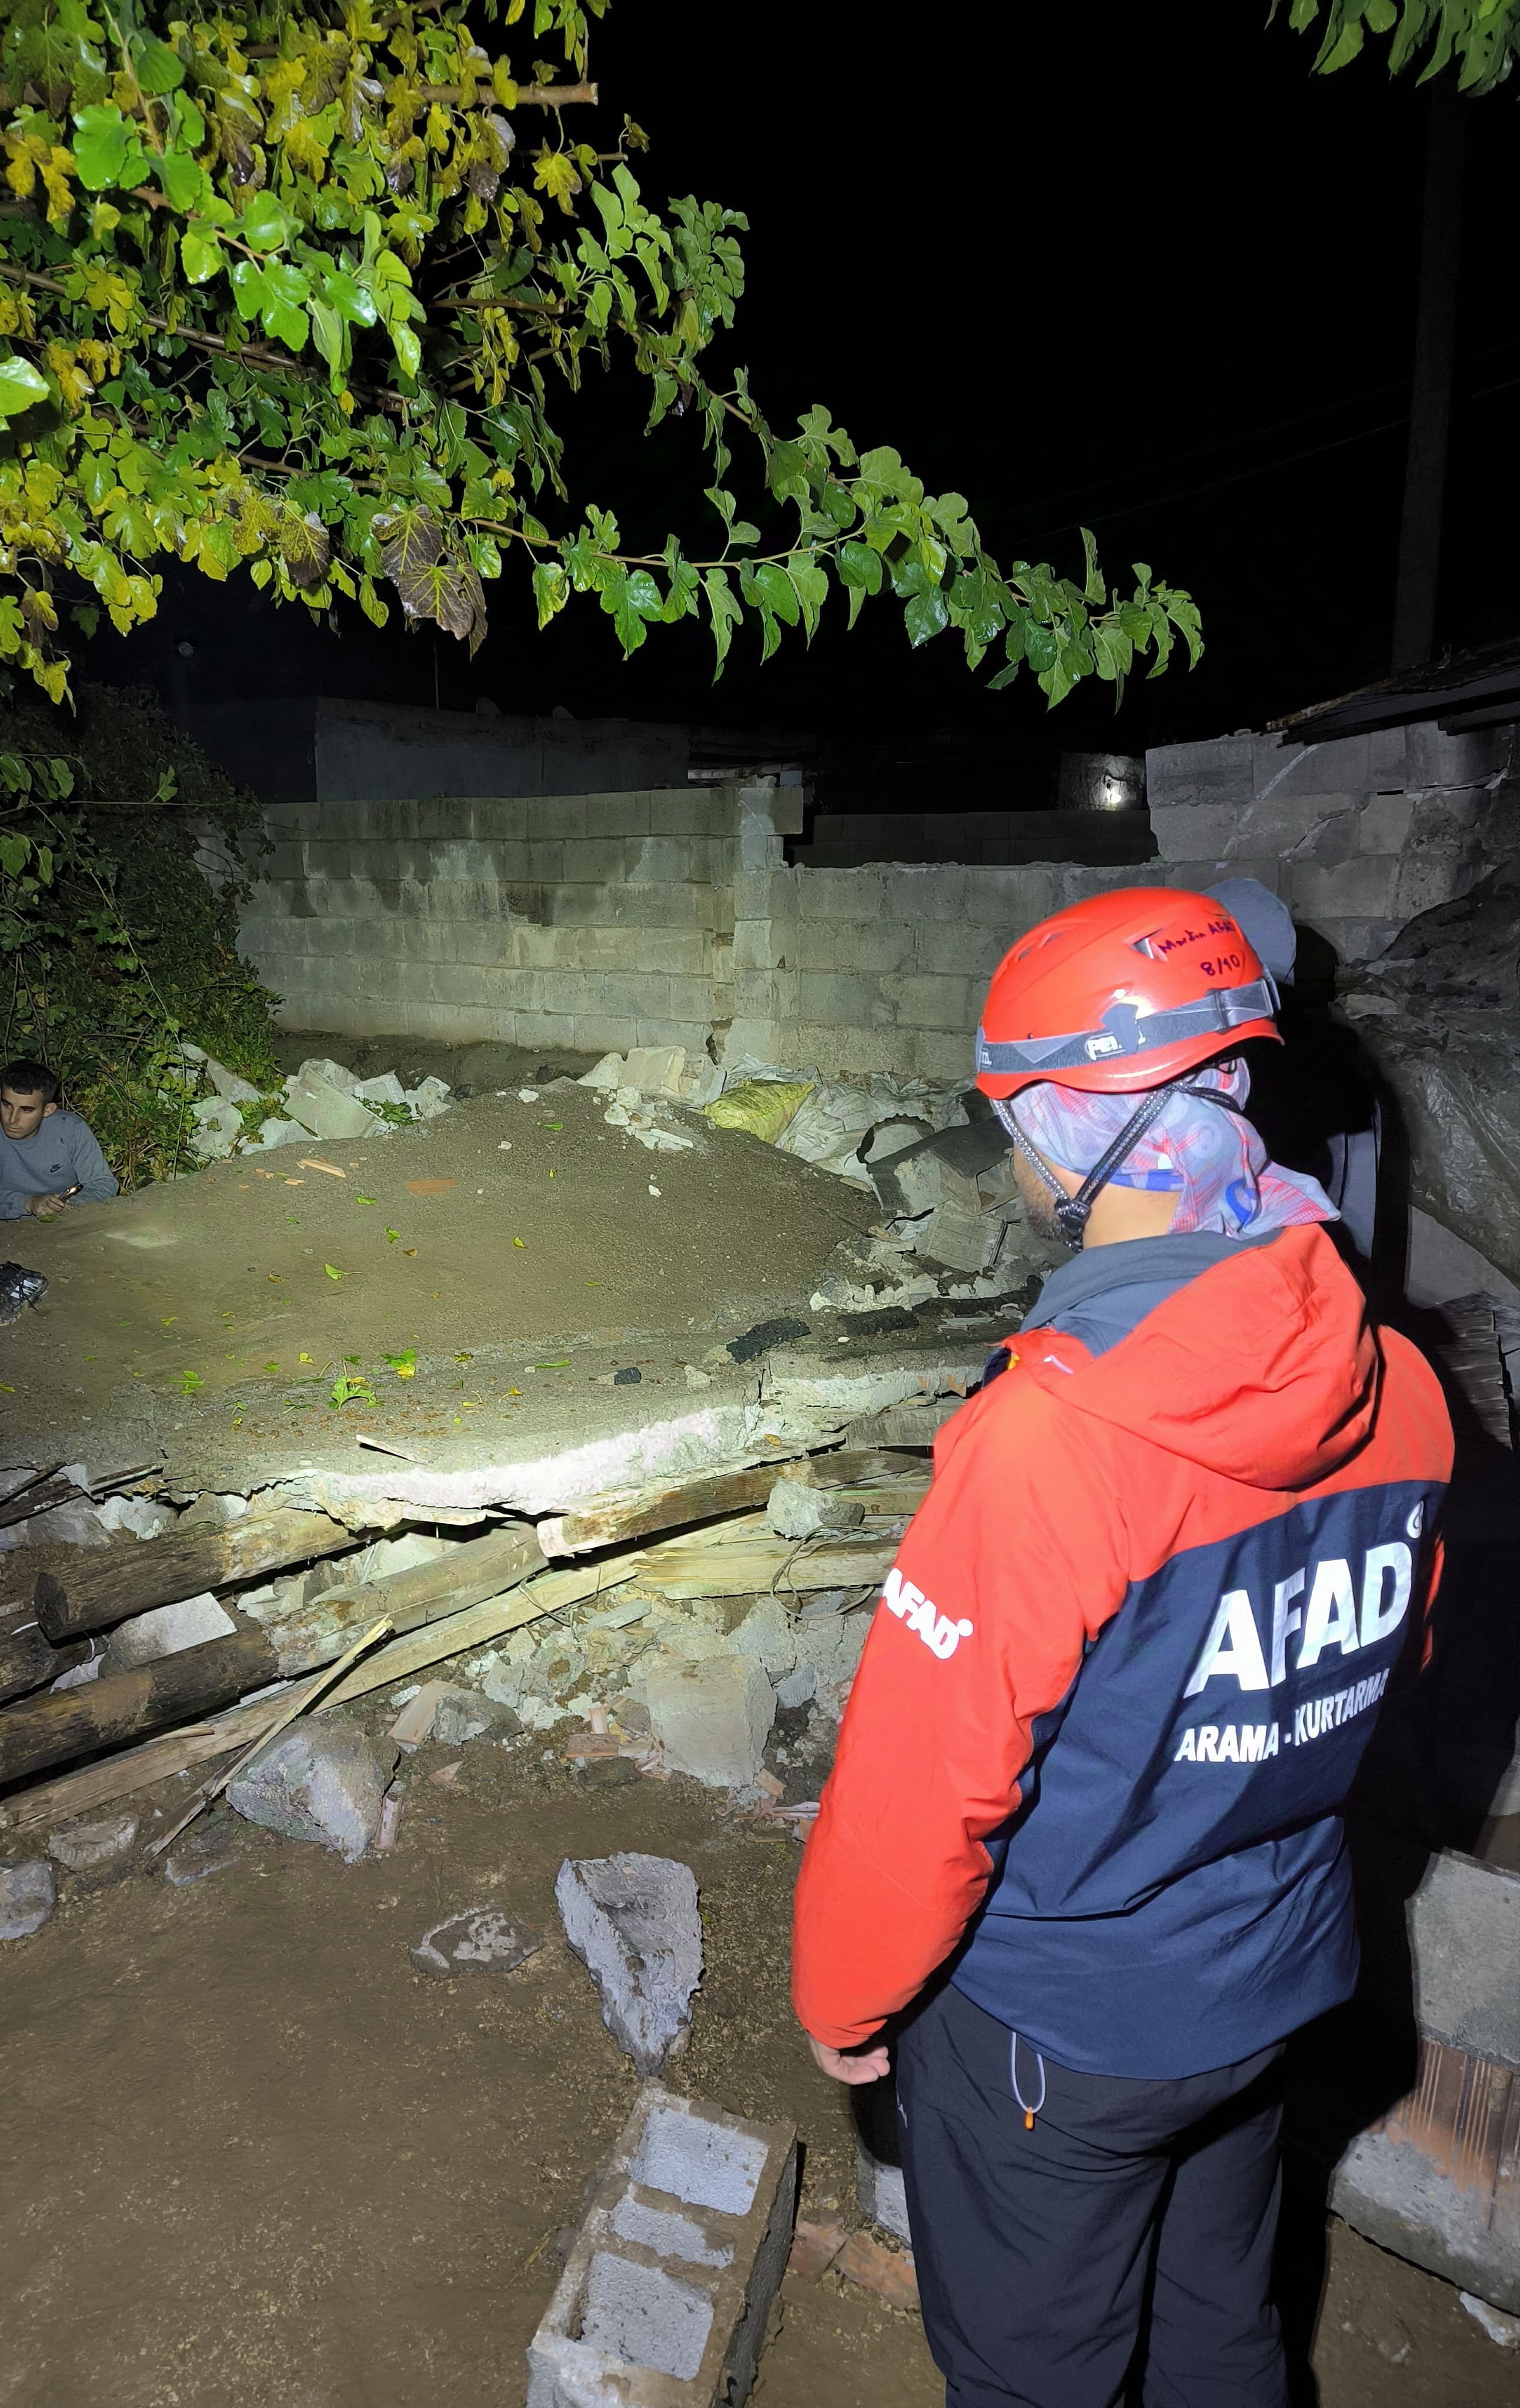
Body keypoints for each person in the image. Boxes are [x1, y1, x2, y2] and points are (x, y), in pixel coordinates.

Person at [791, 887, 1454, 2408]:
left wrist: (845, 2001)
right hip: (1275, 1980)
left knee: (1041, 2378)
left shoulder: (1046, 1443)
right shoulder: (1401, 1389)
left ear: (1075, 1133)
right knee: (1223, 2334)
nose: (1012, 1155)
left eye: (1016, 1118)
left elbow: (920, 1795)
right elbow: (1371, 1683)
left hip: (1063, 2041)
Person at [0, 1060, 118, 1221]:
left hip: (63, 1224)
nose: (12, 1119)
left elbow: (103, 1182)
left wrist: (67, 1206)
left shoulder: (70, 1129)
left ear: (48, 1110)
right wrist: (29, 1203)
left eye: (27, 1110)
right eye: (6, 1105)